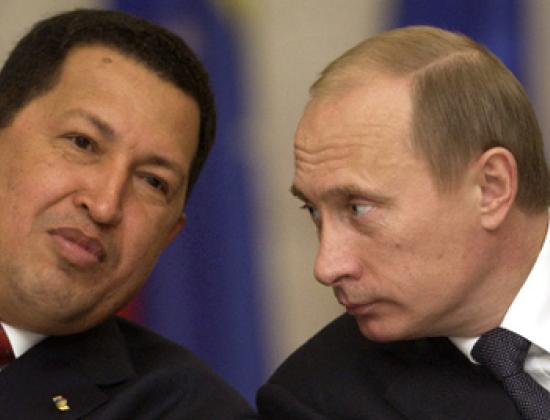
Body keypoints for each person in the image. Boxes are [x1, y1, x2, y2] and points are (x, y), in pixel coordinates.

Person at [257, 25, 550, 420]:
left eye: (358, 208)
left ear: (490, 188)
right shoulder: (317, 401)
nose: (326, 267)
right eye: (313, 210)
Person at [0, 8, 255, 419]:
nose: (105, 205)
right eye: (82, 143)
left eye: (153, 182)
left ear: (168, 235)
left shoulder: (188, 410)